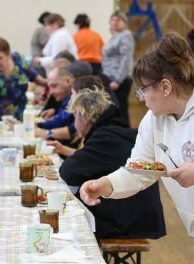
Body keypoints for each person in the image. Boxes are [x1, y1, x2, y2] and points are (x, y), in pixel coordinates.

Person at [80, 32, 194, 237]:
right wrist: (105, 184)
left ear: (165, 87)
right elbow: (140, 170)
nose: (141, 98)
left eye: (142, 90)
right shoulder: (153, 120)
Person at [58, 88, 165, 240]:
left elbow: (67, 172)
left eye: (75, 117)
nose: (74, 124)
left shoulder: (104, 138)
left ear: (85, 117)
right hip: (143, 217)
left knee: (70, 215)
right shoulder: (116, 131)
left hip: (129, 222)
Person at [0, 37, 46, 122]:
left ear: (8, 54)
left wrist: (47, 84)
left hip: (21, 116)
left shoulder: (18, 59)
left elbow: (33, 75)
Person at [101, 11, 134, 125]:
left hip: (120, 79)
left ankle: (126, 135)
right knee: (115, 110)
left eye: (118, 20)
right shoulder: (114, 37)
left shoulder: (125, 36)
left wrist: (118, 80)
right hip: (111, 76)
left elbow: (126, 59)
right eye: (113, 20)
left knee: (121, 109)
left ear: (124, 22)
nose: (115, 23)